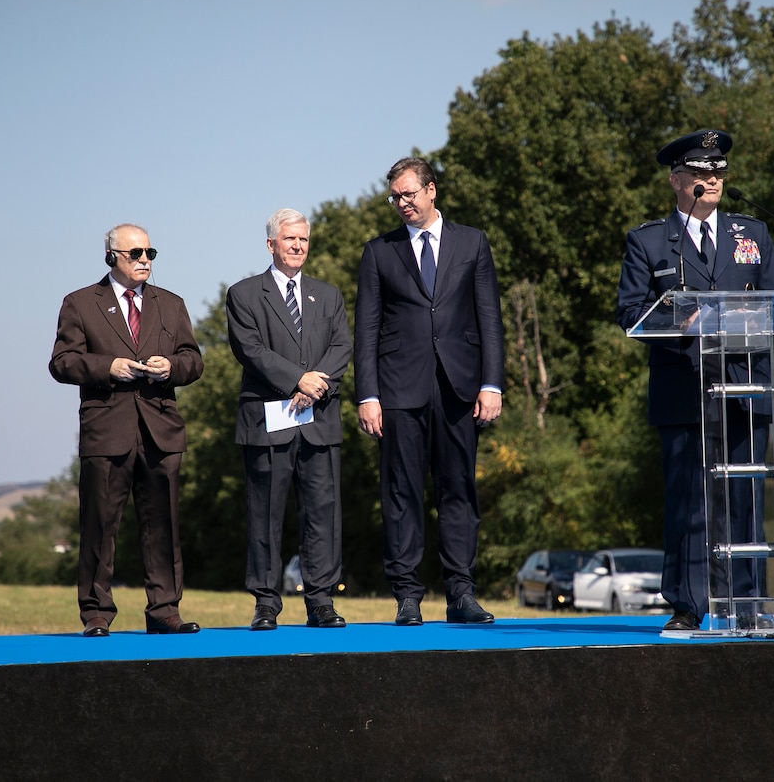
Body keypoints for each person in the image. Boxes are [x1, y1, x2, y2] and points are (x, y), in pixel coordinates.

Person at [616, 130, 774, 631]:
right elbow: (628, 310)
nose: (713, 179)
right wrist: (676, 324)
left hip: (745, 386)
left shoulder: (753, 234)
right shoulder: (648, 240)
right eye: (702, 173)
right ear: (677, 181)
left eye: (718, 172)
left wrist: (747, 318)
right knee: (688, 502)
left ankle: (748, 604)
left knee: (745, 496)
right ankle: (689, 604)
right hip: (683, 386)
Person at [354, 157, 504, 626]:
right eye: (394, 197)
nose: (401, 204)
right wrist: (367, 394)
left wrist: (492, 383)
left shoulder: (472, 242)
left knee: (458, 488)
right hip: (398, 390)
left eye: (408, 194)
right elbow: (367, 329)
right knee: (401, 493)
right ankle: (407, 595)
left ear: (431, 190)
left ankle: (461, 593)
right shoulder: (379, 251)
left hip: (461, 388)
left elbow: (489, 319)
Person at [50, 223, 204, 636]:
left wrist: (172, 367)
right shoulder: (81, 303)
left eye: (150, 254)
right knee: (100, 524)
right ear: (111, 257)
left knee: (164, 525)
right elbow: (62, 362)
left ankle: (164, 610)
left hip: (160, 430)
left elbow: (193, 359)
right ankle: (97, 612)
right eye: (135, 254)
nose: (144, 262)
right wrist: (107, 367)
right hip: (107, 430)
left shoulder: (171, 304)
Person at [226, 208, 352, 631]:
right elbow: (250, 350)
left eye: (304, 239)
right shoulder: (243, 294)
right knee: (265, 514)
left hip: (319, 419)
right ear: (271, 245)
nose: (298, 246)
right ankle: (266, 601)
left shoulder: (328, 295)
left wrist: (314, 386)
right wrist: (297, 378)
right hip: (267, 421)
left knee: (322, 513)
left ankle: (320, 600)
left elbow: (341, 348)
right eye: (289, 239)